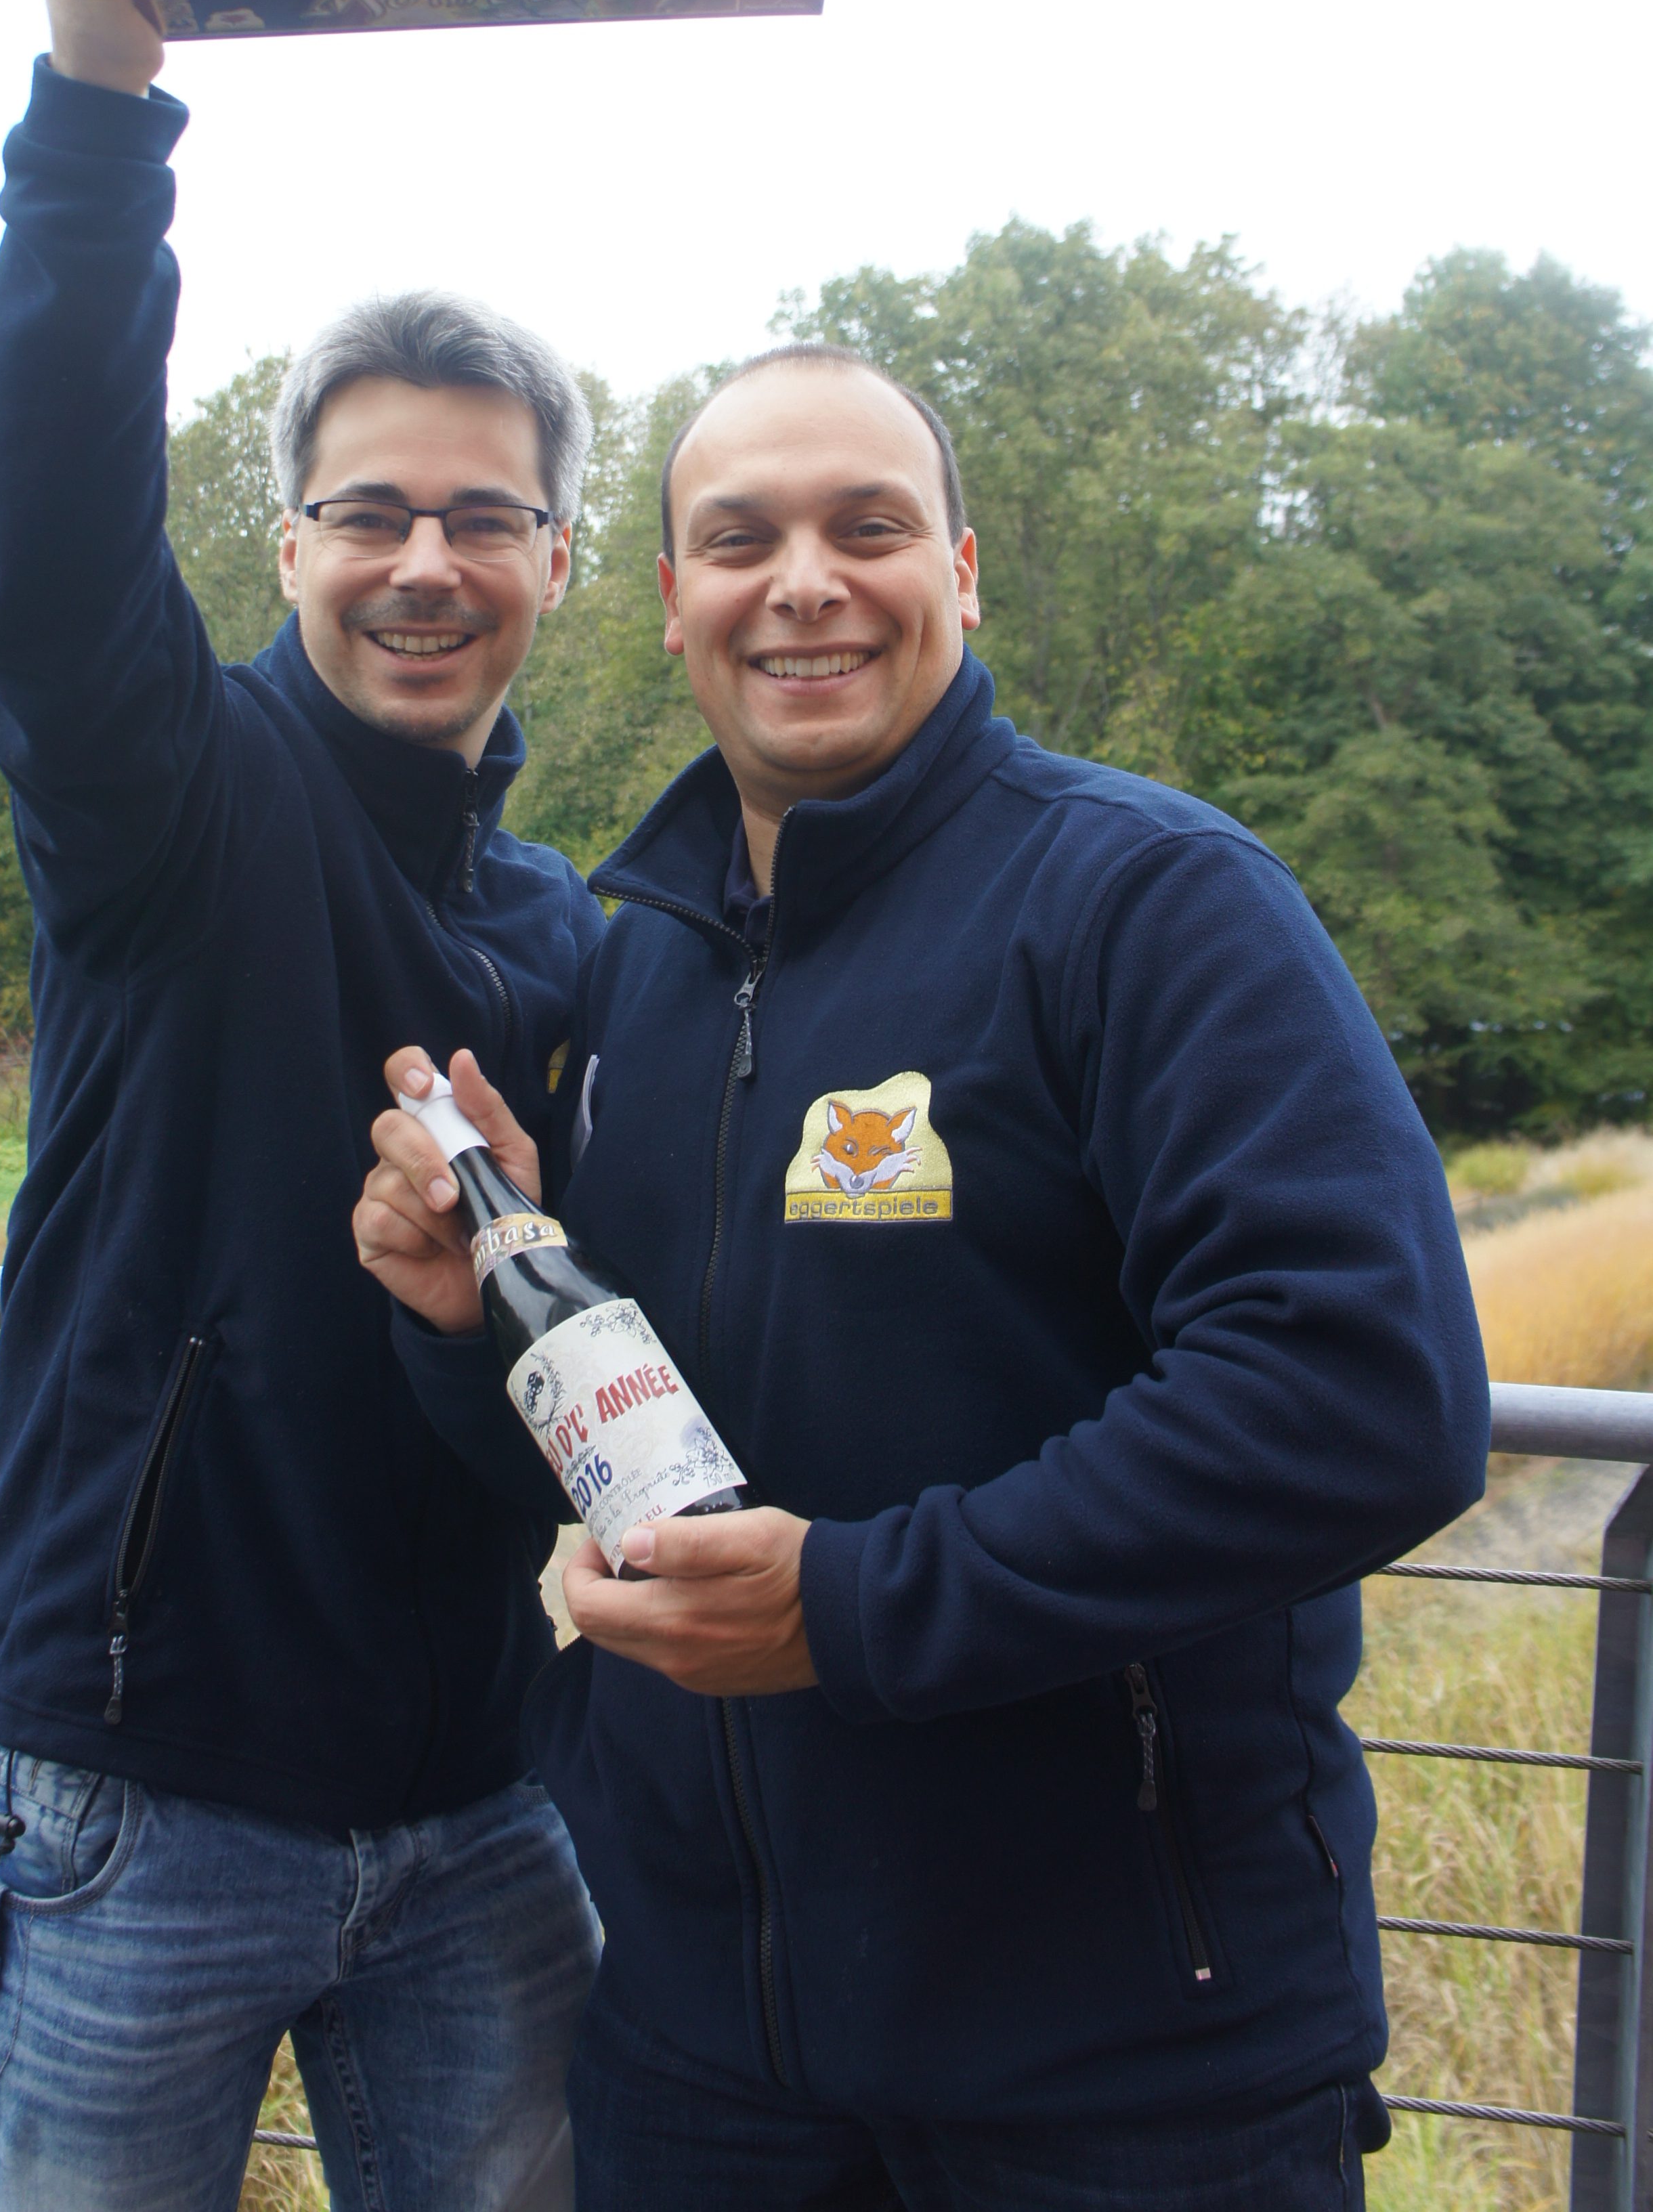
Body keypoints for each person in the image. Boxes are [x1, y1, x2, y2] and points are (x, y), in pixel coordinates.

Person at [356, 343, 1493, 2212]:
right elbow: (640, 1476)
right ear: (670, 603)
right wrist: (468, 1324)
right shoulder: (635, 973)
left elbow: (1361, 1395)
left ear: (958, 573)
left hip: (1127, 2076)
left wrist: (853, 1610)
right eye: (742, 541)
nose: (802, 583)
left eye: (866, 529)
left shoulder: (1150, 903)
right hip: (700, 2068)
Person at [0, 0, 601, 2212]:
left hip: (483, 1815)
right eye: (367, 511)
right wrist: (98, 97)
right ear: (290, 543)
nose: (423, 562)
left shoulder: (571, 933)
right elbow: (44, 547)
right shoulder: (175, 798)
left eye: (482, 514)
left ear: (556, 562)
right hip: (146, 1798)